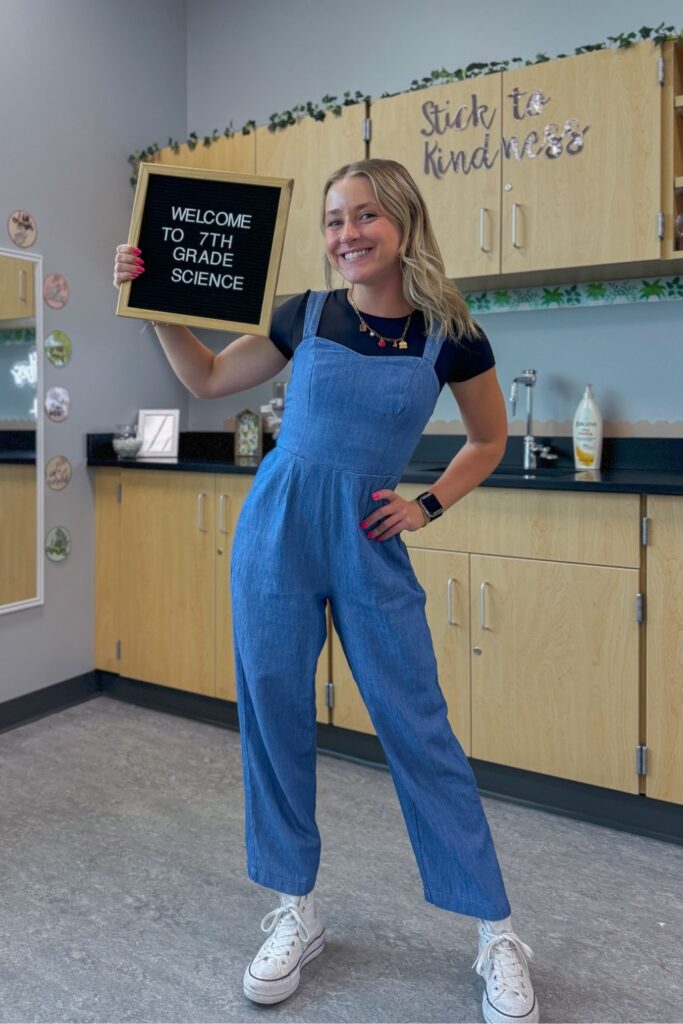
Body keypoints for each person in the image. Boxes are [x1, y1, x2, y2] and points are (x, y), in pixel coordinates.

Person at [113, 157, 539, 1024]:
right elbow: (203, 380)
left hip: (367, 543)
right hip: (275, 535)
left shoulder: (449, 331)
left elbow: (487, 440)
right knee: (273, 721)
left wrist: (426, 504)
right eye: (334, 219)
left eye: (364, 216)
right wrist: (152, 304)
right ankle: (295, 910)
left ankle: (495, 932)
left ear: (404, 223)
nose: (345, 234)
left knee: (418, 728)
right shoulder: (302, 314)